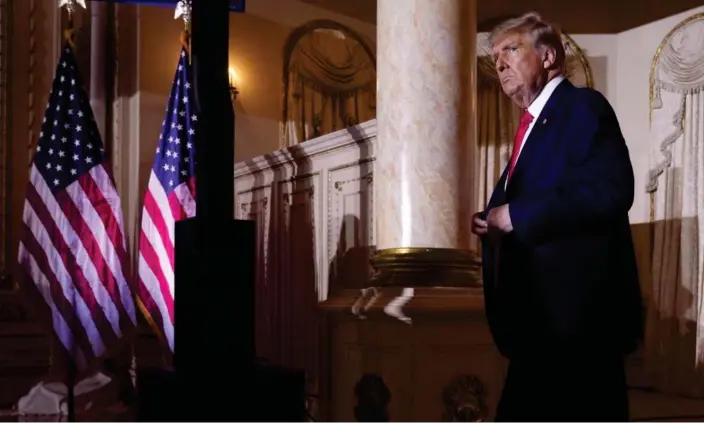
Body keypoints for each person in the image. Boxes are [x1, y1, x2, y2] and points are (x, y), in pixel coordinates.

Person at [471, 12, 644, 422]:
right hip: (537, 330)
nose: (499, 63)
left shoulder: (582, 106)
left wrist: (515, 216)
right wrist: (491, 222)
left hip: (577, 331)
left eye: (511, 49)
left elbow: (610, 190)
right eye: (495, 57)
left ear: (548, 57)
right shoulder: (530, 128)